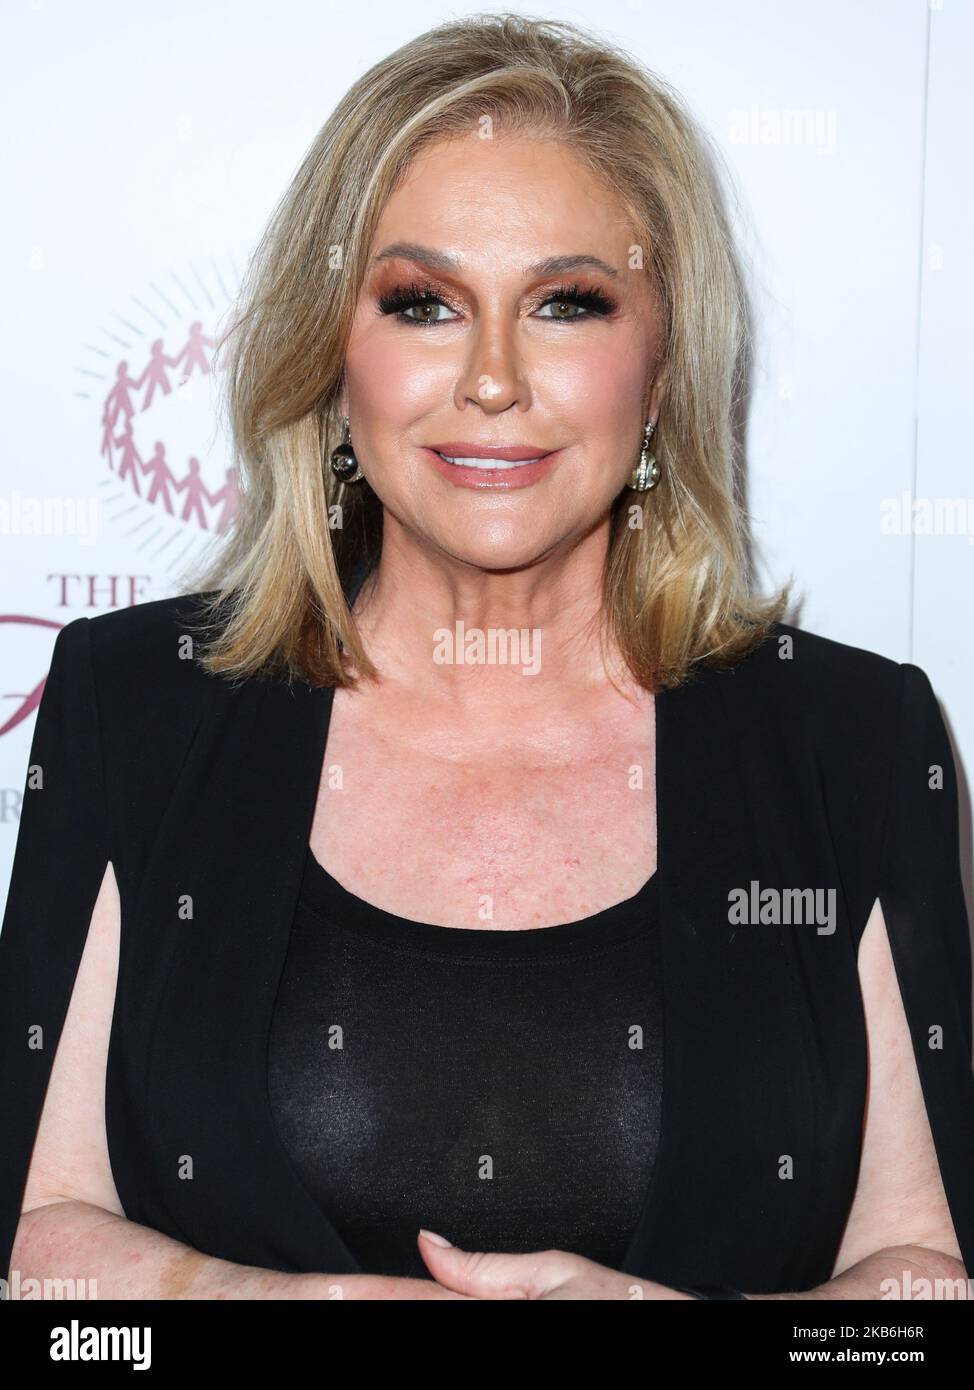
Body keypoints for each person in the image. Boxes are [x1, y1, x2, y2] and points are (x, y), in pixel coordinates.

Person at [2, 13, 972, 1303]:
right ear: (330, 351)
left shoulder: (856, 744)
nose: (496, 379)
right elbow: (39, 1259)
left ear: (666, 362)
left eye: (569, 304)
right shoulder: (136, 708)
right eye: (425, 304)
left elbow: (921, 1292)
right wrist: (268, 1307)